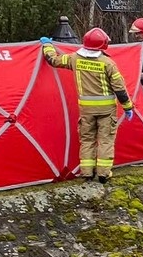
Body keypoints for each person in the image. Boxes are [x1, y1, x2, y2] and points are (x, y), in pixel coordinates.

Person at [40, 28, 135, 183]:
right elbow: (120, 88)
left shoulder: (74, 58)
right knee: (105, 140)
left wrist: (47, 46)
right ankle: (103, 174)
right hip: (106, 110)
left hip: (86, 110)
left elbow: (53, 60)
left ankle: (87, 173)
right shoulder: (108, 63)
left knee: (87, 140)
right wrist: (128, 107)